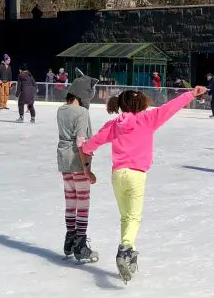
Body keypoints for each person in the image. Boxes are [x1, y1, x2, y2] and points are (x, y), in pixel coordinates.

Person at [82, 85, 206, 284]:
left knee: (125, 217)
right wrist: (191, 94)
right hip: (136, 175)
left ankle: (128, 251)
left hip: (117, 175)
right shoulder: (147, 119)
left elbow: (89, 146)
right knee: (134, 217)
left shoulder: (114, 124)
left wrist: (83, 149)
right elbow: (170, 108)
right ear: (141, 104)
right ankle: (125, 248)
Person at [56, 75, 99, 263]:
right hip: (77, 160)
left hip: (63, 160)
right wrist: (87, 168)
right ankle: (80, 244)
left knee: (70, 200)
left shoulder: (60, 110)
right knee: (82, 202)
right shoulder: (81, 112)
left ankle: (70, 238)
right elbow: (81, 141)